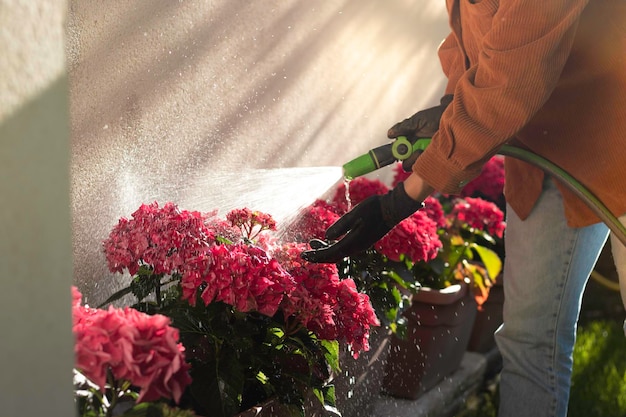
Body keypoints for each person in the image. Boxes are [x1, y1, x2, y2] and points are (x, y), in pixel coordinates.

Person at [302, 1, 626, 416]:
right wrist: (452, 103)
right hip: (551, 151)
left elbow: (508, 85)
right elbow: (473, 34)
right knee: (529, 339)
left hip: (616, 131)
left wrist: (400, 201)